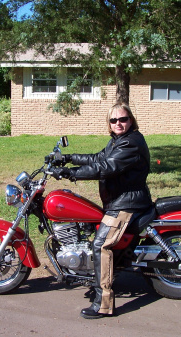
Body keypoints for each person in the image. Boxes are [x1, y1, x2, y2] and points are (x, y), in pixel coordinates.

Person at [50, 103, 153, 319]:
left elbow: (105, 168)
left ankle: (103, 303)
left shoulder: (131, 143)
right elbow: (98, 158)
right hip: (120, 200)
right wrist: (69, 158)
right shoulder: (119, 140)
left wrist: (70, 173)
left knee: (100, 245)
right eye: (114, 120)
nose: (118, 123)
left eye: (123, 119)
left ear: (131, 119)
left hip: (127, 203)